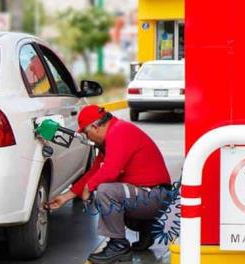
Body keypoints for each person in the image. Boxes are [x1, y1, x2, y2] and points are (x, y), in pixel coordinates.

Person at [47, 105, 172, 264]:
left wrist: (89, 187)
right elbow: (94, 172)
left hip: (154, 196)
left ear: (95, 126)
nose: (88, 138)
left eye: (86, 132)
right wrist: (65, 197)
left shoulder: (119, 132)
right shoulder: (113, 135)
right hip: (153, 196)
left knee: (106, 191)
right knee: (110, 192)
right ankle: (146, 228)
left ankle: (118, 245)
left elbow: (110, 171)